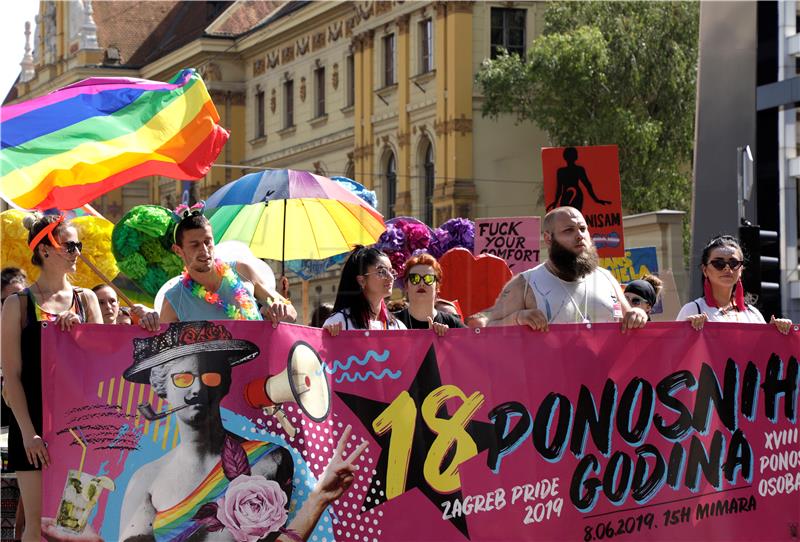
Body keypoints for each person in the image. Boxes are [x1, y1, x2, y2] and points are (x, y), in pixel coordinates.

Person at [117, 321, 365, 542]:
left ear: (225, 383)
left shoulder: (268, 459)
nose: (197, 389)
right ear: (163, 389)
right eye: (182, 379)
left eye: (210, 377)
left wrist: (318, 500)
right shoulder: (145, 480)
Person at [1, 214, 104, 541]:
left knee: (74, 525)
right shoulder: (16, 305)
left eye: (79, 245)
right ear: (45, 250)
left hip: (81, 431)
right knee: (37, 523)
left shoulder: (86, 300)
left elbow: (104, 366)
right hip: (33, 431)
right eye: (70, 245)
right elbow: (11, 381)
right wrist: (29, 434)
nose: (77, 252)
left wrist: (81, 336)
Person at [488, 206, 647, 331]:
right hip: (548, 372)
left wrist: (638, 315)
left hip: (605, 372)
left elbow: (629, 320)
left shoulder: (606, 278)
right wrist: (518, 317)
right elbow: (489, 330)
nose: (580, 236)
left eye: (583, 229)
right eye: (568, 230)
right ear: (548, 238)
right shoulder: (524, 284)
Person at [159, 206, 297, 325]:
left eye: (207, 242)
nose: (204, 250)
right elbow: (161, 350)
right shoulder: (174, 299)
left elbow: (292, 313)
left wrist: (282, 310)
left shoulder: (242, 271)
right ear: (178, 250)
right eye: (194, 245)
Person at [676, 235, 792, 333]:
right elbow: (674, 353)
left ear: (741, 270)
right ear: (705, 270)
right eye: (719, 263)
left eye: (733, 263)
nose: (727, 268)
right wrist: (688, 331)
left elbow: (763, 354)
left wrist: (774, 332)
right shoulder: (693, 309)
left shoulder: (753, 314)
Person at [323, 246, 406, 334]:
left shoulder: (398, 327)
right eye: (382, 272)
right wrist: (326, 335)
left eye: (391, 271)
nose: (391, 277)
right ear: (362, 280)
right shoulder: (339, 323)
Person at [392, 253, 466, 335]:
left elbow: (475, 345)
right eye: (415, 278)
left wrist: (447, 340)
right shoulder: (392, 323)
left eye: (428, 278)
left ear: (437, 287)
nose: (421, 283)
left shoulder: (453, 324)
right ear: (406, 286)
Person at [546, 147, 612, 212]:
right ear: (576, 157)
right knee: (571, 216)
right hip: (569, 195)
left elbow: (587, 184)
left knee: (571, 216)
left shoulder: (564, 171)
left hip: (572, 195)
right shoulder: (574, 170)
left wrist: (596, 199)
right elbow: (587, 185)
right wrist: (596, 199)